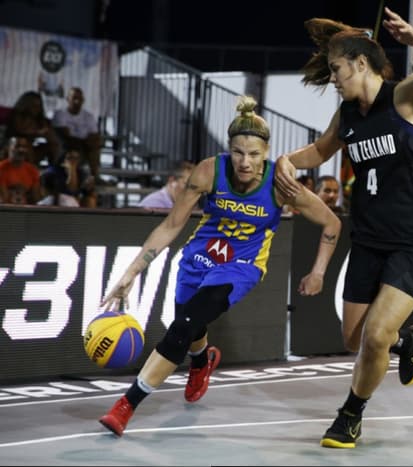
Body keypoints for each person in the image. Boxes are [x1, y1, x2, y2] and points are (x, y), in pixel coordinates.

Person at [274, 7, 413, 449]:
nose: (334, 79)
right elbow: (319, 152)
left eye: (337, 70)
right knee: (354, 338)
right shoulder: (348, 116)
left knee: (376, 336)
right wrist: (287, 159)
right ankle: (410, 339)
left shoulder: (406, 97)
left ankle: (349, 415)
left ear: (361, 64)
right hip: (370, 238)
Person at [97, 95, 341, 437]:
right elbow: (170, 225)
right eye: (238, 152)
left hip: (241, 266)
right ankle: (201, 361)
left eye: (254, 154)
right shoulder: (209, 170)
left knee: (183, 324)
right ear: (229, 150)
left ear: (267, 154)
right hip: (200, 256)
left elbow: (332, 224)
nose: (245, 162)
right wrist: (130, 273)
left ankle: (125, 406)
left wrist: (318, 272)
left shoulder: (281, 185)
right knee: (188, 324)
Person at [52, 87, 102, 181]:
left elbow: (94, 136)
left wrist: (86, 141)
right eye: (74, 98)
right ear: (67, 99)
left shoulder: (89, 116)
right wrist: (84, 140)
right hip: (66, 147)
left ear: (83, 100)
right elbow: (65, 136)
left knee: (95, 147)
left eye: (79, 98)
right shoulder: (60, 114)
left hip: (84, 147)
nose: (76, 101)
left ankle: (94, 177)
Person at [5, 90, 62, 167]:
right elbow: (21, 130)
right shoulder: (18, 115)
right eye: (33, 105)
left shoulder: (39, 118)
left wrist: (49, 134)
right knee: (26, 145)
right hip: (14, 143)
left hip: (31, 145)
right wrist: (38, 133)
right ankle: (28, 170)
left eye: (38, 106)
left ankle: (56, 166)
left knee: (54, 143)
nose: (36, 109)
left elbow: (46, 129)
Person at [0, 136, 41, 205]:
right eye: (17, 146)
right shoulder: (1, 168)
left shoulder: (32, 170)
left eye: (24, 147)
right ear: (8, 147)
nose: (21, 150)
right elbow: (4, 199)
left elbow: (36, 199)